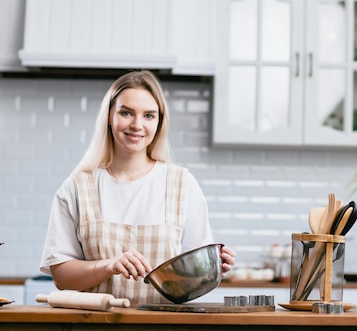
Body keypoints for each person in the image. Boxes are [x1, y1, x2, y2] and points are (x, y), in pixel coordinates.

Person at [40, 70, 236, 305]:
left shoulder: (183, 184)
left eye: (149, 116)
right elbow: (62, 278)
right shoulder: (77, 187)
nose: (137, 125)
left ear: (159, 122)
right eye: (126, 113)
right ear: (109, 117)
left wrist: (212, 270)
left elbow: (192, 278)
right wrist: (109, 265)